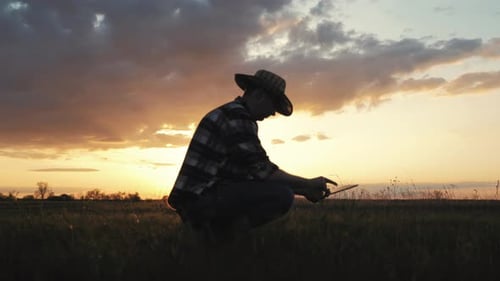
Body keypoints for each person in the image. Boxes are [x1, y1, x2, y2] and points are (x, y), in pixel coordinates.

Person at [167, 69, 337, 240]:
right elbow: (263, 169)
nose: (272, 113)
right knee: (281, 196)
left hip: (197, 199)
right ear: (260, 96)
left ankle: (216, 236)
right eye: (273, 106)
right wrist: (308, 183)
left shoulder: (234, 114)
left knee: (281, 190)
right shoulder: (237, 117)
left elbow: (252, 175)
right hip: (198, 200)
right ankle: (221, 236)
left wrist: (303, 190)